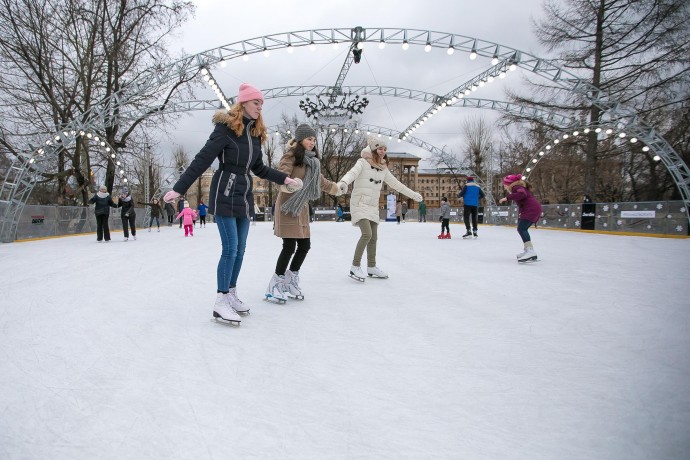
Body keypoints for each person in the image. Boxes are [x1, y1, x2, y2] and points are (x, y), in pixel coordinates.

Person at [163, 82, 299, 324]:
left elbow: (258, 167)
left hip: (244, 195)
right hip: (225, 191)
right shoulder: (225, 129)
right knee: (230, 248)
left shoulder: (255, 135)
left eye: (261, 104)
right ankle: (220, 300)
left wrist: (284, 178)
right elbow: (202, 159)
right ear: (244, 103)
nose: (260, 107)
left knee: (241, 249)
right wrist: (179, 188)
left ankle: (232, 293)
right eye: (256, 102)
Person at [265, 123, 341, 303]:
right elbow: (280, 177)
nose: (312, 142)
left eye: (314, 139)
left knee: (305, 246)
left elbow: (321, 182)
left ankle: (290, 280)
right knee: (289, 246)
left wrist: (338, 188)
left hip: (302, 208)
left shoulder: (314, 162)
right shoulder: (290, 156)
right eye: (309, 139)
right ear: (300, 140)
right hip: (288, 206)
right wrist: (290, 183)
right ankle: (275, 284)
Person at [337, 136, 423, 281]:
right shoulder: (362, 162)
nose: (382, 151)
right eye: (380, 148)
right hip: (359, 203)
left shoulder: (383, 168)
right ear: (373, 149)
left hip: (372, 206)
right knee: (367, 234)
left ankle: (371, 267)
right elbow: (352, 173)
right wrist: (344, 182)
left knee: (374, 237)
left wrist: (413, 195)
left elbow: (397, 184)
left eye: (384, 149)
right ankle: (355, 266)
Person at [498, 174, 543, 262]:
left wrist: (507, 198)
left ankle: (530, 251)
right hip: (532, 209)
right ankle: (528, 250)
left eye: (505, 184)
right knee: (522, 228)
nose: (504, 186)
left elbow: (522, 194)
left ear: (509, 184)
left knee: (522, 229)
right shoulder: (518, 187)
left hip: (531, 209)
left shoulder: (516, 187)